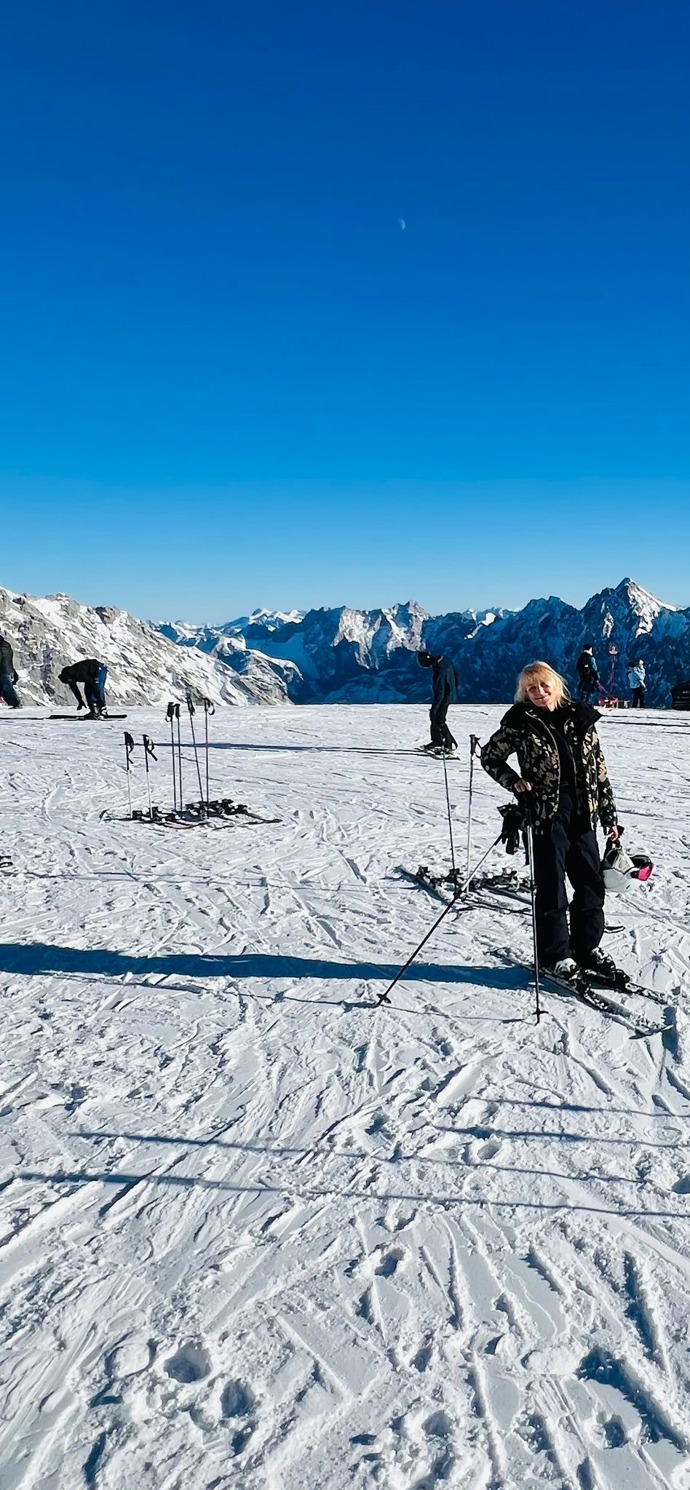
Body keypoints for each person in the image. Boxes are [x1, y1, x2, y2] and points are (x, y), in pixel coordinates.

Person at [481, 660, 620, 982]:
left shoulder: (581, 717)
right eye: (531, 688)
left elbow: (599, 770)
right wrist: (513, 782)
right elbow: (490, 756)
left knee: (590, 882)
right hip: (546, 813)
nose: (539, 692)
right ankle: (555, 955)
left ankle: (586, 948)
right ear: (524, 693)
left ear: (556, 685)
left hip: (584, 812)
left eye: (544, 685)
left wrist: (610, 815)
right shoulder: (520, 721)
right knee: (551, 887)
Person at [417, 651, 458, 754]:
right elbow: (456, 675)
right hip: (449, 694)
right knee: (437, 718)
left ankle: (446, 744)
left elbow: (440, 690)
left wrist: (435, 705)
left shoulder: (440, 670)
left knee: (438, 718)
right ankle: (438, 742)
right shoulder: (445, 661)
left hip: (444, 697)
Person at [0, 633, 20, 708]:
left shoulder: (1, 648)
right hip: (9, 670)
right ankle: (14, 703)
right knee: (7, 688)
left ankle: (15, 703)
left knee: (7, 688)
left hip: (3, 671)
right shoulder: (6, 646)